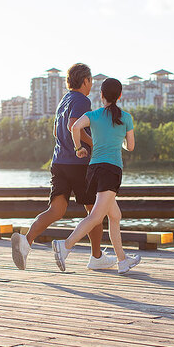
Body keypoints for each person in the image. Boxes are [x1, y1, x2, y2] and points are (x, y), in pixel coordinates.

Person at [11, 63, 117, 270]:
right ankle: (96, 257)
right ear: (85, 81)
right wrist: (92, 143)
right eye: (91, 81)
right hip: (79, 163)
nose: (91, 85)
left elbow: (56, 132)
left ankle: (26, 242)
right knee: (94, 211)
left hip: (59, 162)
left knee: (56, 210)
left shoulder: (63, 101)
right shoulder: (81, 100)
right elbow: (73, 125)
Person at [52, 77, 141, 274]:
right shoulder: (126, 118)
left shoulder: (93, 115)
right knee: (96, 216)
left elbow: (74, 127)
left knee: (115, 215)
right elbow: (131, 146)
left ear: (101, 95)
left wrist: (78, 148)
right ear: (119, 96)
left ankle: (122, 261)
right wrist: (120, 140)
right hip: (111, 170)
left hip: (93, 170)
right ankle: (65, 246)